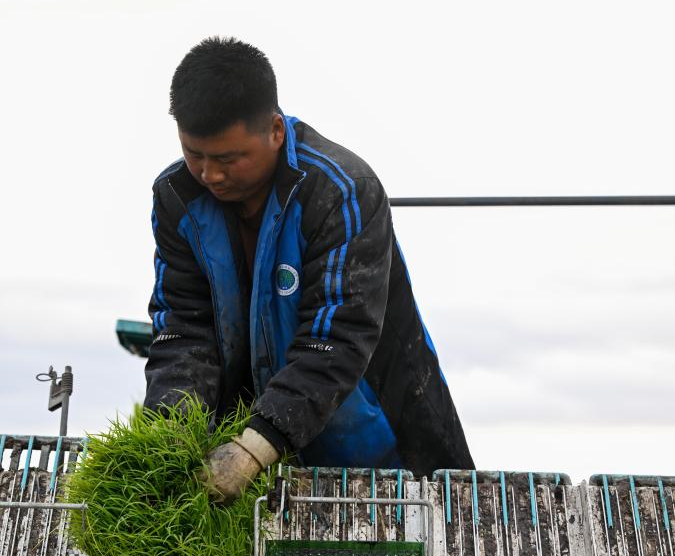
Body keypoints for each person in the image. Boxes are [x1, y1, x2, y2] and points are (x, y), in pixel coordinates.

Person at [144, 37, 474, 502]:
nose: (209, 174)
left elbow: (337, 337)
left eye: (227, 159)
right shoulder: (176, 197)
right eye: (194, 155)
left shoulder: (341, 191)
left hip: (376, 449)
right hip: (245, 463)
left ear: (275, 131)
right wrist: (171, 439)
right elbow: (182, 327)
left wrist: (255, 448)